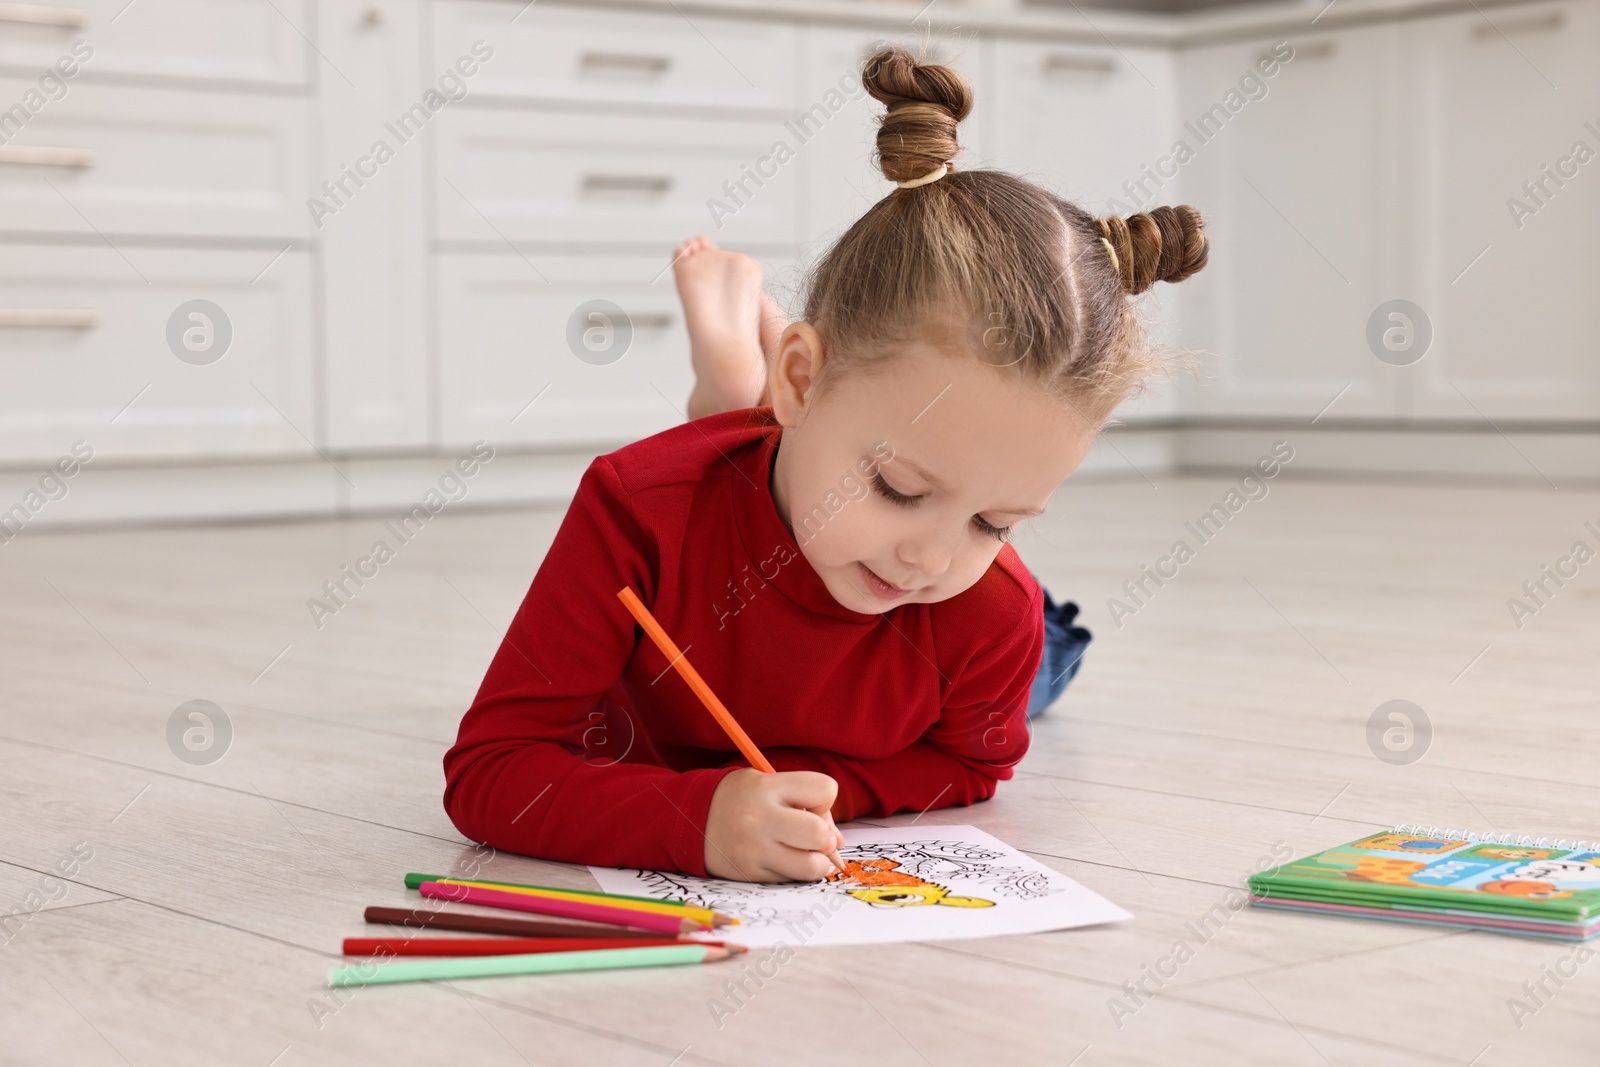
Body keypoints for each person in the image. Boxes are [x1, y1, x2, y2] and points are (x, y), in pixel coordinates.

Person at [442, 45, 1208, 883]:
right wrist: (695, 819)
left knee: (1049, 643)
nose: (931, 557)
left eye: (998, 521)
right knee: (740, 482)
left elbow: (973, 765)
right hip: (746, 479)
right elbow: (491, 770)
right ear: (804, 377)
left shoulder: (989, 606)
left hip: (938, 603)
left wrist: (819, 796)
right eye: (899, 487)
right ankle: (738, 391)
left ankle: (739, 386)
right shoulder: (635, 510)